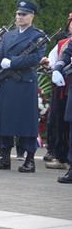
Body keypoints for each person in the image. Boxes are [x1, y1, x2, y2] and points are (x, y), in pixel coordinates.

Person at [0, 0, 46, 173]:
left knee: (26, 122)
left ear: (32, 16)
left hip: (24, 82)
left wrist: (12, 62)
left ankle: (29, 159)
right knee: (4, 120)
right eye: (18, 14)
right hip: (7, 82)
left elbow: (34, 58)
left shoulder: (38, 36)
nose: (19, 17)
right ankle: (5, 156)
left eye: (23, 14)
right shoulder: (8, 35)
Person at [45, 13, 72, 170]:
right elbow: (59, 58)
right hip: (64, 86)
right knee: (61, 122)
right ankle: (62, 157)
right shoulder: (64, 43)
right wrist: (56, 68)